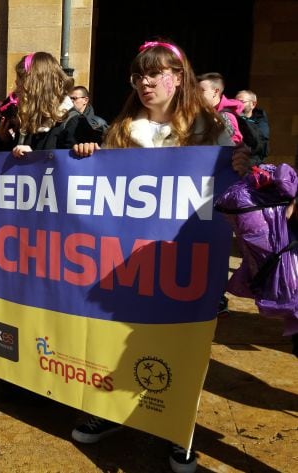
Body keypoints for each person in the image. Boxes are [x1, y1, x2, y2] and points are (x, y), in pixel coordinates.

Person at [71, 40, 249, 473]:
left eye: (155, 73)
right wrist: (88, 156)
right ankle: (110, 410)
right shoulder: (121, 131)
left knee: (183, 344)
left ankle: (178, 427)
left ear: (179, 76)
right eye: (138, 76)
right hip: (125, 263)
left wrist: (239, 167)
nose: (146, 82)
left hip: (185, 261)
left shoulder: (211, 131)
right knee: (117, 340)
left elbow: (229, 197)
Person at [10, 51, 97, 158]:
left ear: (37, 85)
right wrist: (4, 139)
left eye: (20, 79)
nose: (16, 84)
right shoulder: (29, 122)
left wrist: (34, 158)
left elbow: (75, 169)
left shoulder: (75, 124)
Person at [197, 72, 244, 144]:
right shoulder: (200, 112)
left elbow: (234, 146)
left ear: (216, 91)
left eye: (202, 90)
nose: (197, 94)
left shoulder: (226, 116)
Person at [235, 89, 270, 160]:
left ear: (253, 104)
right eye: (236, 102)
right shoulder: (232, 117)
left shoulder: (260, 120)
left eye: (242, 102)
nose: (237, 105)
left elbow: (259, 141)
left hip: (251, 161)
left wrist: (241, 117)